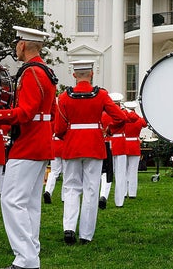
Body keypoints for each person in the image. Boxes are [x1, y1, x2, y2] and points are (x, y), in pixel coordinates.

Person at [0, 25, 57, 269]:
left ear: (22, 45)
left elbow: (26, 112)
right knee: (29, 202)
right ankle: (31, 253)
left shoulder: (31, 72)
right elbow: (48, 111)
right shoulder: (46, 71)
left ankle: (26, 259)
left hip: (28, 144)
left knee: (11, 200)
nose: (15, 47)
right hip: (40, 141)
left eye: (17, 43)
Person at [55, 60, 129, 245]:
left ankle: (69, 228)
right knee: (91, 189)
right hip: (95, 145)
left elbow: (58, 129)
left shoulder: (64, 97)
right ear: (91, 74)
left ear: (74, 75)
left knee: (71, 187)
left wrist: (69, 136)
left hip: (72, 144)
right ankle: (86, 234)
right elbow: (121, 117)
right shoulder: (101, 95)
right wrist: (110, 131)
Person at [99, 92, 135, 209]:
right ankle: (119, 201)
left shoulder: (103, 114)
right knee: (120, 174)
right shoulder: (123, 113)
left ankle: (104, 195)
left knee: (107, 172)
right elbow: (134, 118)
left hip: (107, 142)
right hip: (119, 143)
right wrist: (126, 109)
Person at [122, 101, 147, 200]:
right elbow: (145, 123)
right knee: (133, 171)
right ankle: (132, 193)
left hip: (124, 144)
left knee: (123, 170)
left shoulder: (123, 118)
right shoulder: (139, 119)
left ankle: (123, 192)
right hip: (135, 145)